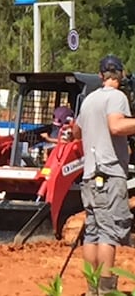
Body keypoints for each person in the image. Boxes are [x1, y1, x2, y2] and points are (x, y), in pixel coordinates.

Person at [72, 55, 135, 295]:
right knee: (109, 234)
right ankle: (107, 291)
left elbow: (76, 131)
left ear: (100, 76)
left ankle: (92, 288)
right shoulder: (117, 97)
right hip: (109, 174)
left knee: (92, 233)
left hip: (90, 175)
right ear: (120, 75)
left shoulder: (88, 100)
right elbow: (117, 126)